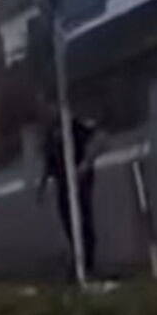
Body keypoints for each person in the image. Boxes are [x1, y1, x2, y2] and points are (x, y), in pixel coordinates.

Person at [39, 109, 100, 279]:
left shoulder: (74, 125)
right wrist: (43, 185)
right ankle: (78, 258)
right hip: (62, 182)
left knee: (83, 218)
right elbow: (49, 159)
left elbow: (97, 139)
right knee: (68, 219)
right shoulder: (51, 131)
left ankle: (88, 262)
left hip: (80, 181)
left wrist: (85, 164)